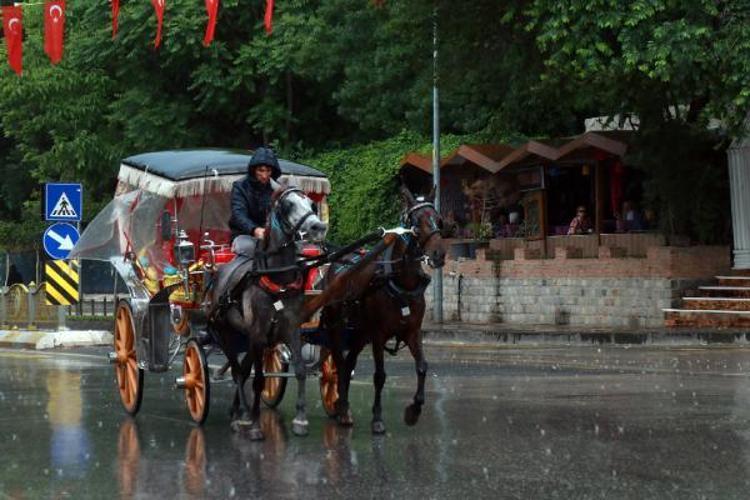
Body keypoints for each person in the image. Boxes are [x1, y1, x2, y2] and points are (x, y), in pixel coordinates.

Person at [229, 147, 282, 256]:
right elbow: (238, 214)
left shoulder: (277, 188)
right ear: (253, 170)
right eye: (261, 170)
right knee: (250, 247)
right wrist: (254, 230)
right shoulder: (240, 187)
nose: (264, 175)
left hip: (272, 237)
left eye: (268, 171)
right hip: (244, 235)